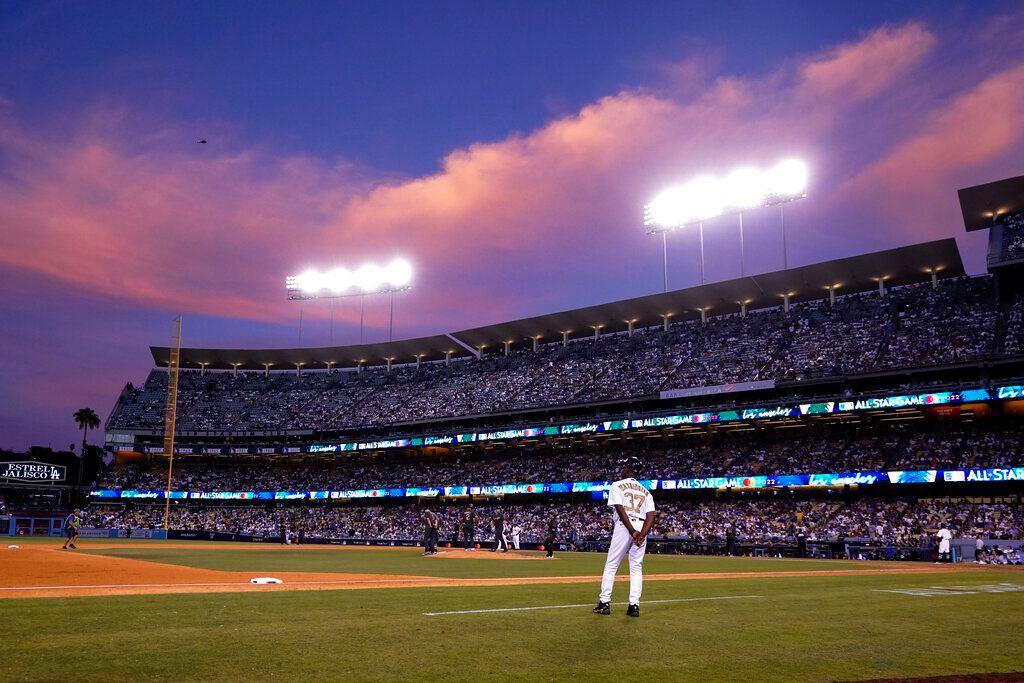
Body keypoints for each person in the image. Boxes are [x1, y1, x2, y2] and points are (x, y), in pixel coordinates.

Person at [594, 457, 655, 618]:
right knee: (636, 568)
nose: (622, 470)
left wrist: (632, 531)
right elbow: (651, 516)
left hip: (625, 526)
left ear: (628, 469)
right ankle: (634, 606)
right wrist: (641, 534)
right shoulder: (646, 491)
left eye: (624, 467)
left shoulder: (617, 485)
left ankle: (604, 603)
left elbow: (620, 509)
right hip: (642, 526)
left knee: (612, 565)